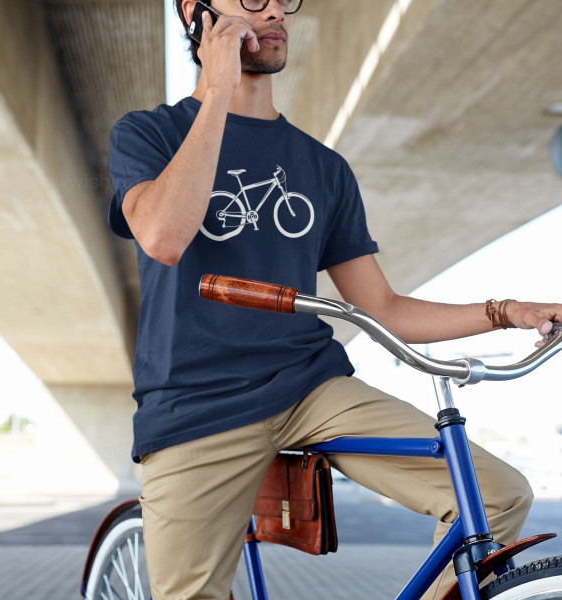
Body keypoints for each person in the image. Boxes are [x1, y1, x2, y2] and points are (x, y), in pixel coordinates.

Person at [106, 1, 561, 598]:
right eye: (252, 0)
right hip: (197, 400)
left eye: (282, 0)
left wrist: (505, 313)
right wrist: (216, 91)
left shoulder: (322, 167)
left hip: (311, 385)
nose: (275, 11)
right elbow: (164, 237)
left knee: (497, 495)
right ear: (196, 12)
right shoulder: (148, 134)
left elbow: (384, 308)